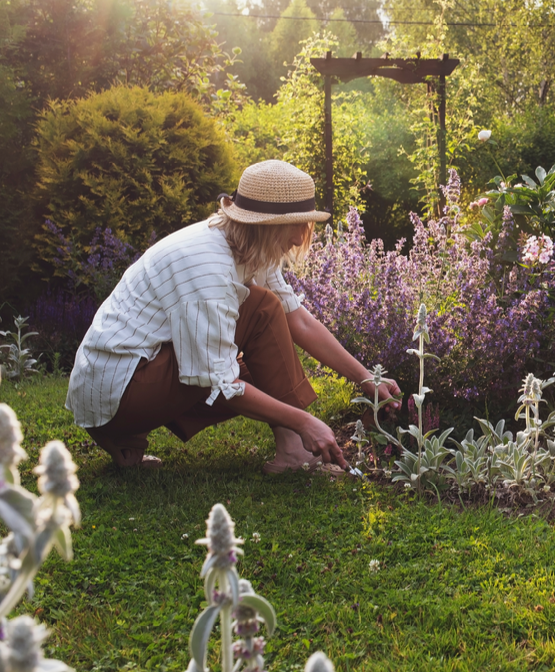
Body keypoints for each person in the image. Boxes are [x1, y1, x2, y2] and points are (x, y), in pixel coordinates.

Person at [65, 160, 401, 472]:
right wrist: (302, 422)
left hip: (126, 384)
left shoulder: (250, 244)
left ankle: (289, 446)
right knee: (260, 314)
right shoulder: (208, 267)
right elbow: (219, 381)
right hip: (119, 394)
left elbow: (297, 320)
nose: (300, 237)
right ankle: (293, 445)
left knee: (266, 340)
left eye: (303, 224)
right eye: (292, 225)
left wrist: (366, 378)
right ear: (264, 224)